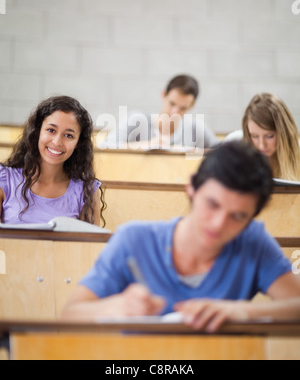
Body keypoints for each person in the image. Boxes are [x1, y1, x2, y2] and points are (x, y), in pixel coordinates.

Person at [61, 141, 300, 331]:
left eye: (237, 216)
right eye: (212, 204)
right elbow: (70, 315)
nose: (218, 224)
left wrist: (242, 312)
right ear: (192, 188)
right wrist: (117, 307)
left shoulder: (253, 242)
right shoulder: (133, 240)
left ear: (251, 218)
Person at [0, 95, 106, 226]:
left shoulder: (86, 191)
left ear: (78, 142)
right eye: (51, 130)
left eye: (69, 135)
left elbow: (90, 246)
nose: (57, 142)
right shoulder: (4, 179)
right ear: (38, 131)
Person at [100, 74, 219, 150]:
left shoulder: (195, 128)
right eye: (172, 104)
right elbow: (104, 147)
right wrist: (148, 144)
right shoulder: (136, 120)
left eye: (183, 108)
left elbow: (223, 151)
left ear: (192, 105)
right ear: (163, 95)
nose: (174, 113)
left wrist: (197, 152)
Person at [225, 93, 300, 181]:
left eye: (269, 136)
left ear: (284, 134)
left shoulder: (298, 151)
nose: (261, 145)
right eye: (254, 136)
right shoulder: (234, 143)